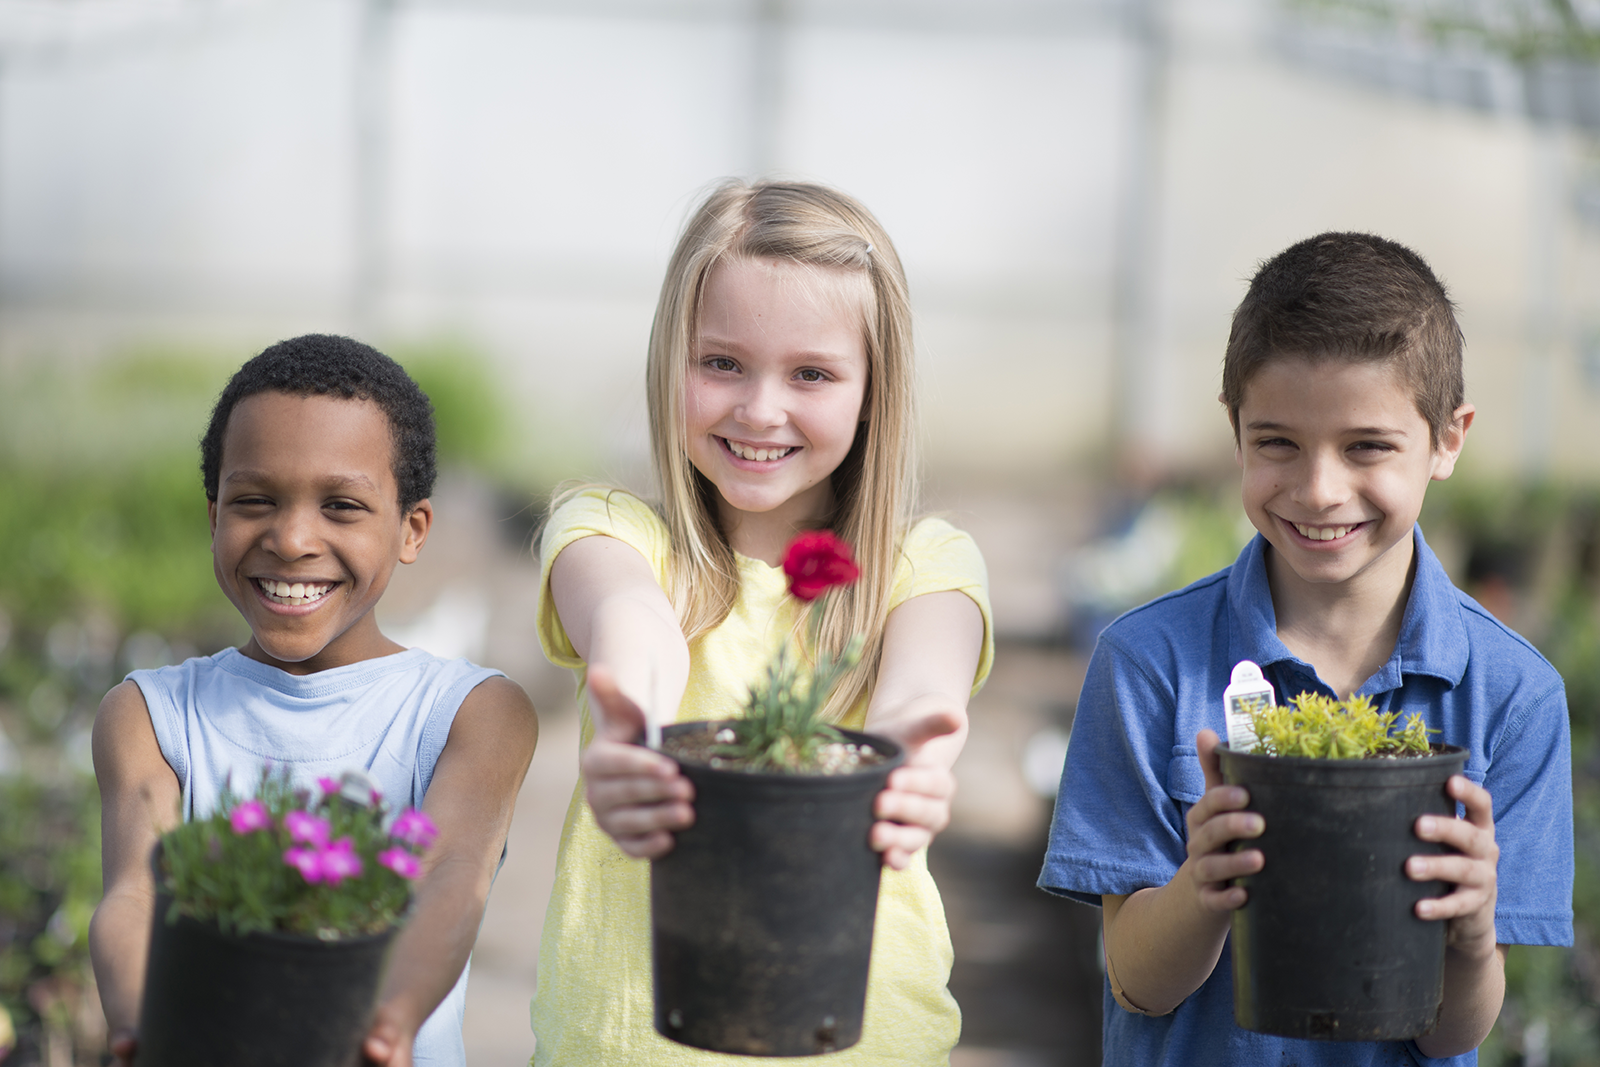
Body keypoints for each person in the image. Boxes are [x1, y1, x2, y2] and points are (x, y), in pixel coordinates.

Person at [1040, 232, 1574, 1066]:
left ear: (1448, 438)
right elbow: (1138, 981)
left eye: (1368, 445)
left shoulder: (1512, 693)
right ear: (1236, 430)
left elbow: (1453, 1032)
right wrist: (1203, 886)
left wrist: (1471, 932)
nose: (1320, 488)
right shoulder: (1148, 662)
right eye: (1279, 441)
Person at [532, 179, 994, 1064]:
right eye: (722, 363)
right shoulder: (610, 532)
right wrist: (639, 730)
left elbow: (921, 698)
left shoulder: (922, 567)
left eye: (811, 373)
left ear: (873, 391)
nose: (759, 408)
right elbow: (631, 622)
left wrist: (907, 769)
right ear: (672, 358)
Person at [88, 335, 539, 1067]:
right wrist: (146, 1024)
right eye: (255, 500)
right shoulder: (152, 714)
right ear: (213, 516)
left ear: (411, 529)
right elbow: (136, 897)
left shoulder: (470, 712)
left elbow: (454, 874)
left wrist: (384, 1027)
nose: (293, 537)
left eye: (342, 505)